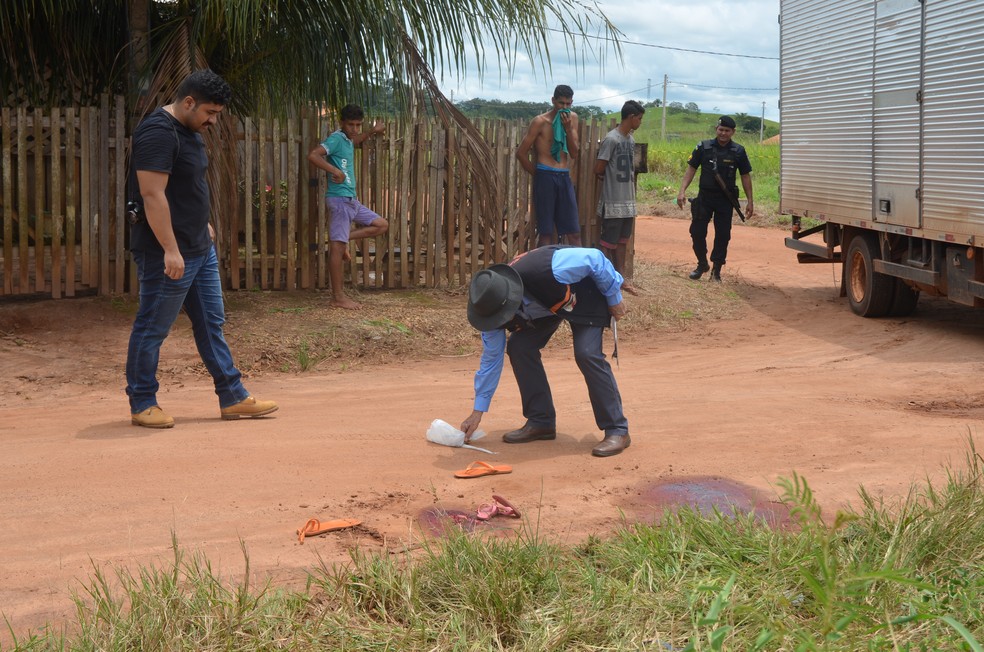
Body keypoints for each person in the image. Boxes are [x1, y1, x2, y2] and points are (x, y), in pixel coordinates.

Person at [126, 70, 278, 429]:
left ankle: (233, 396)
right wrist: (170, 249)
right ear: (189, 102)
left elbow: (186, 186)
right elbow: (151, 194)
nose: (213, 121)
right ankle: (142, 402)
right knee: (153, 327)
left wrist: (201, 224)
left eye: (217, 114)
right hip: (167, 254)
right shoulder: (158, 132)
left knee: (211, 323)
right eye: (210, 112)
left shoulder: (190, 129)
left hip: (198, 247)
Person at [460, 245, 630, 457]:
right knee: (519, 347)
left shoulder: (547, 268)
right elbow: (491, 361)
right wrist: (477, 412)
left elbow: (595, 259)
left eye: (504, 314)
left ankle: (617, 429)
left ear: (512, 297)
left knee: (586, 353)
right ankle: (541, 421)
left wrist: (614, 298)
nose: (502, 321)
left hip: (584, 293)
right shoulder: (489, 309)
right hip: (549, 306)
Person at [307, 104, 389, 309]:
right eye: (351, 124)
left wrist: (372, 131)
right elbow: (313, 155)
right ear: (341, 122)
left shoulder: (347, 139)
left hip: (351, 200)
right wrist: (335, 171)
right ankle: (338, 297)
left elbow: (356, 139)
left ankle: (343, 238)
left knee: (381, 225)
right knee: (337, 248)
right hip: (340, 199)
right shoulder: (336, 139)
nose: (354, 129)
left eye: (358, 125)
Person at [675, 115, 754, 282]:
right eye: (720, 130)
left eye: (727, 131)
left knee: (723, 236)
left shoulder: (738, 151)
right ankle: (702, 264)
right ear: (716, 129)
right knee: (696, 232)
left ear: (733, 132)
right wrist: (682, 191)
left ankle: (716, 271)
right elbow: (691, 169)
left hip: (725, 200)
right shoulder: (703, 147)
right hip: (704, 198)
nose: (723, 133)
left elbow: (745, 176)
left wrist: (750, 201)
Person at [516, 85, 582, 247]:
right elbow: (521, 153)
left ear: (572, 102)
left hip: (564, 176)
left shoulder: (573, 119)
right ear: (553, 101)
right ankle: (545, 264)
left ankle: (579, 264)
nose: (564, 107)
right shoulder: (540, 121)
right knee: (546, 233)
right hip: (545, 175)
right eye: (561, 103)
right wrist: (538, 174)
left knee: (574, 232)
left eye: (568, 104)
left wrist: (568, 129)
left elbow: (574, 153)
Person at [594, 100, 645, 295]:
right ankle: (604, 279)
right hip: (613, 199)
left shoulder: (630, 140)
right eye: (639, 118)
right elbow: (599, 168)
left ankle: (621, 278)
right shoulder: (611, 139)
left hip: (627, 200)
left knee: (622, 241)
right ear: (631, 117)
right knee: (608, 242)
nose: (640, 122)